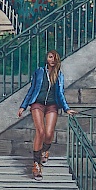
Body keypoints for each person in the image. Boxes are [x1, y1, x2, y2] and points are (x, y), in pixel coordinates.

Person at [17, 50, 71, 180]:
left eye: (54, 58)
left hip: (52, 104)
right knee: (40, 132)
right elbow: (32, 89)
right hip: (37, 103)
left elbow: (61, 94)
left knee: (49, 132)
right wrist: (23, 106)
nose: (52, 59)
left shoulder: (59, 75)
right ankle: (36, 164)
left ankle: (45, 150)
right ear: (46, 58)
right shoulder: (39, 71)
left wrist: (66, 108)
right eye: (50, 57)